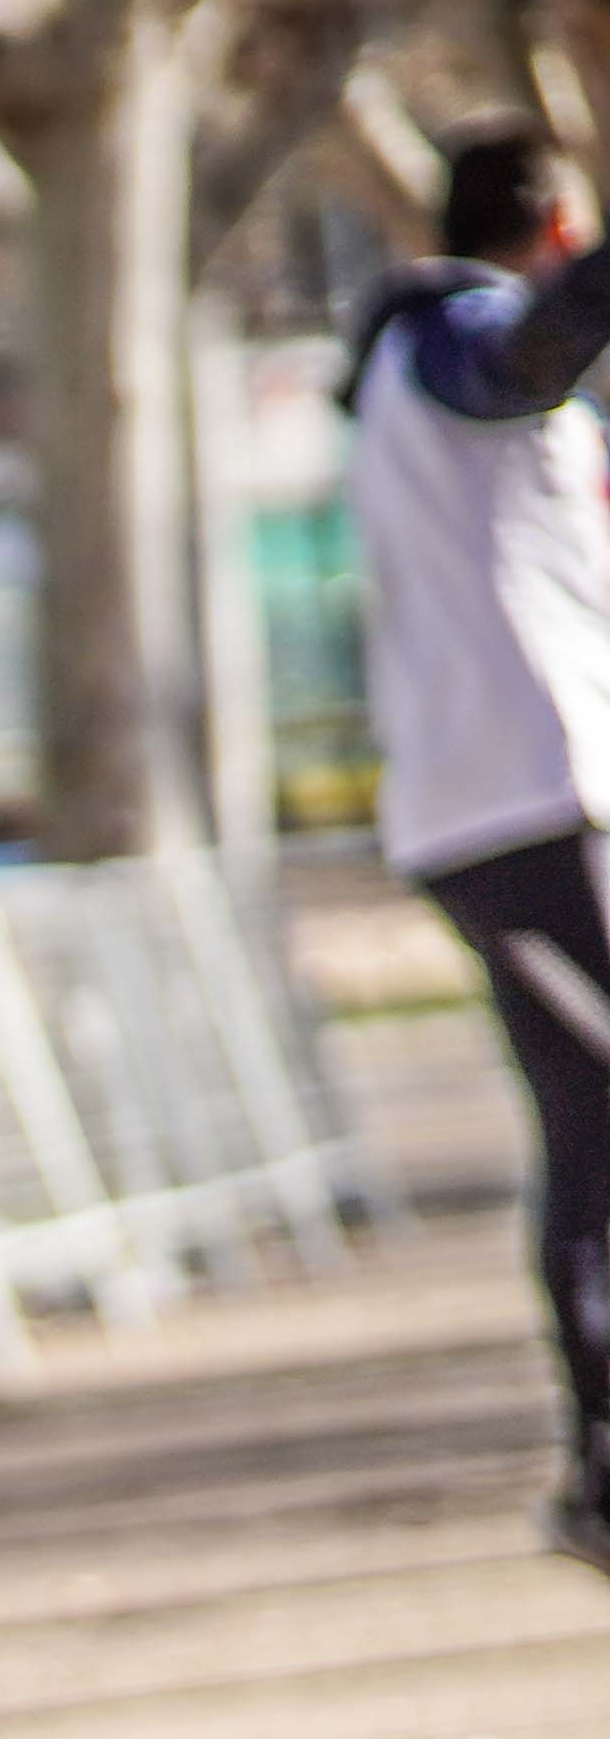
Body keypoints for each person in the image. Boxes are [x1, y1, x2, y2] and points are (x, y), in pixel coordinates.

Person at [343, 121, 610, 1580]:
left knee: (592, 1126)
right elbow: (525, 348)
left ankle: (600, 1472)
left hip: (538, 797)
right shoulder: (442, 340)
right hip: (513, 804)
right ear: (557, 225)